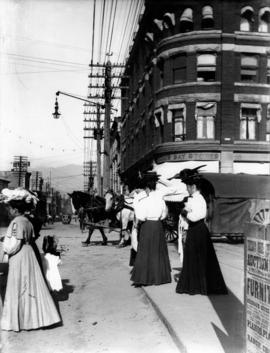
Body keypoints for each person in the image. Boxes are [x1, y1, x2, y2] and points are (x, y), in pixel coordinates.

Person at [0, 188, 61, 332]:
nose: (9, 211)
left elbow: (13, 246)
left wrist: (5, 245)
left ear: (15, 209)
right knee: (30, 285)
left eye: (10, 208)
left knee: (18, 286)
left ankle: (19, 321)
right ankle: (33, 320)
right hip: (29, 254)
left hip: (19, 256)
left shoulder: (16, 222)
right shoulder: (27, 221)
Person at [174, 171, 228, 295]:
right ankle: (195, 285)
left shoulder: (199, 199)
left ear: (193, 187)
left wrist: (185, 212)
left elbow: (195, 217)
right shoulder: (193, 198)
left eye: (187, 186)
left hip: (198, 230)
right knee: (193, 257)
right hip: (194, 230)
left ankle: (201, 285)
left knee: (201, 258)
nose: (187, 189)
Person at [131, 171, 176, 286]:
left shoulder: (144, 200)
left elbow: (140, 216)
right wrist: (160, 179)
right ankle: (159, 277)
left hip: (147, 226)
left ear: (146, 188)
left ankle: (145, 277)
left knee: (145, 251)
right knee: (158, 251)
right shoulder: (160, 198)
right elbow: (164, 214)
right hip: (158, 226)